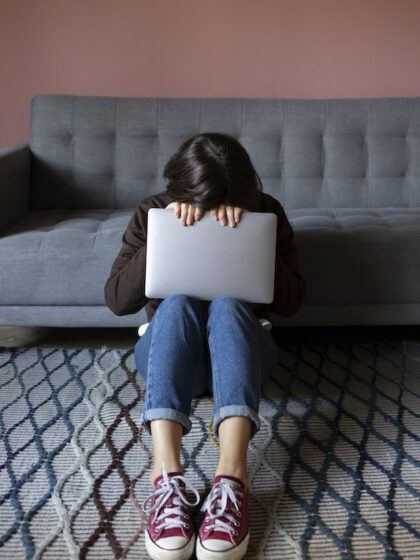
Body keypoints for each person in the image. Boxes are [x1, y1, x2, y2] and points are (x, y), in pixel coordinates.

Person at [104, 132, 306, 560]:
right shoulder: (154, 212)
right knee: (175, 305)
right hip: (170, 362)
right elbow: (118, 300)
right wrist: (165, 237)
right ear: (179, 186)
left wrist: (252, 235)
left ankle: (231, 481)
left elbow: (292, 302)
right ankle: (167, 481)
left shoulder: (264, 211)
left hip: (241, 362)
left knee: (230, 306)